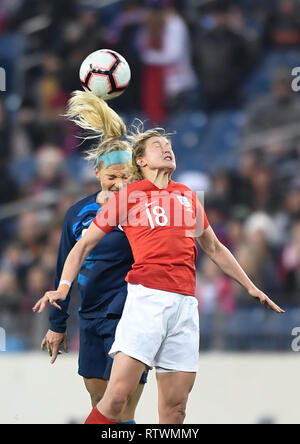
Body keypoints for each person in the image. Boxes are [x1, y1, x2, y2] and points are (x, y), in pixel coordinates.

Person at [33, 91, 284, 424]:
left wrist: (250, 286)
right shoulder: (129, 197)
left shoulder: (187, 197)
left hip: (184, 306)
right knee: (116, 399)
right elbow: (81, 246)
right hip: (145, 301)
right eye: (157, 146)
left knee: (176, 409)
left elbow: (213, 247)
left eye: (169, 146)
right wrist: (63, 290)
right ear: (141, 161)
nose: (167, 148)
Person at [34, 91, 147, 423]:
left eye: (126, 178)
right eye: (112, 177)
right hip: (91, 315)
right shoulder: (78, 213)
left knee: (121, 399)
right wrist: (58, 324)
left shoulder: (142, 212)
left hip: (129, 315)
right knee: (99, 398)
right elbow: (63, 269)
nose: (118, 184)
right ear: (98, 172)